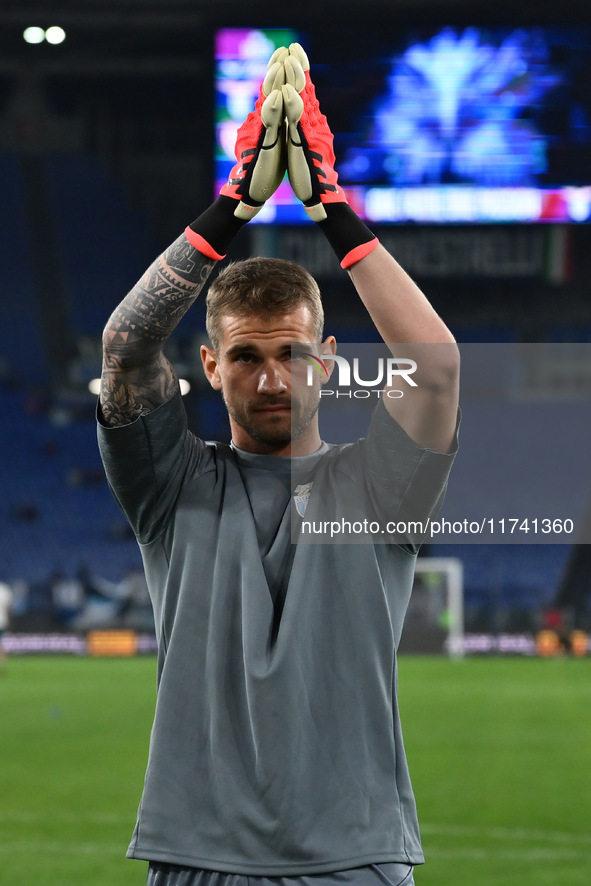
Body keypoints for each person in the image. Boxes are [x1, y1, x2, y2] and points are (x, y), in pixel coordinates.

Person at [98, 45, 460, 886]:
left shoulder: (381, 486)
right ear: (211, 366)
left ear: (328, 360)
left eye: (293, 353)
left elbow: (435, 365)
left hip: (354, 859)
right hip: (197, 858)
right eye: (247, 355)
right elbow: (125, 344)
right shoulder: (169, 484)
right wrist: (232, 204)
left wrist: (332, 205)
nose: (271, 376)